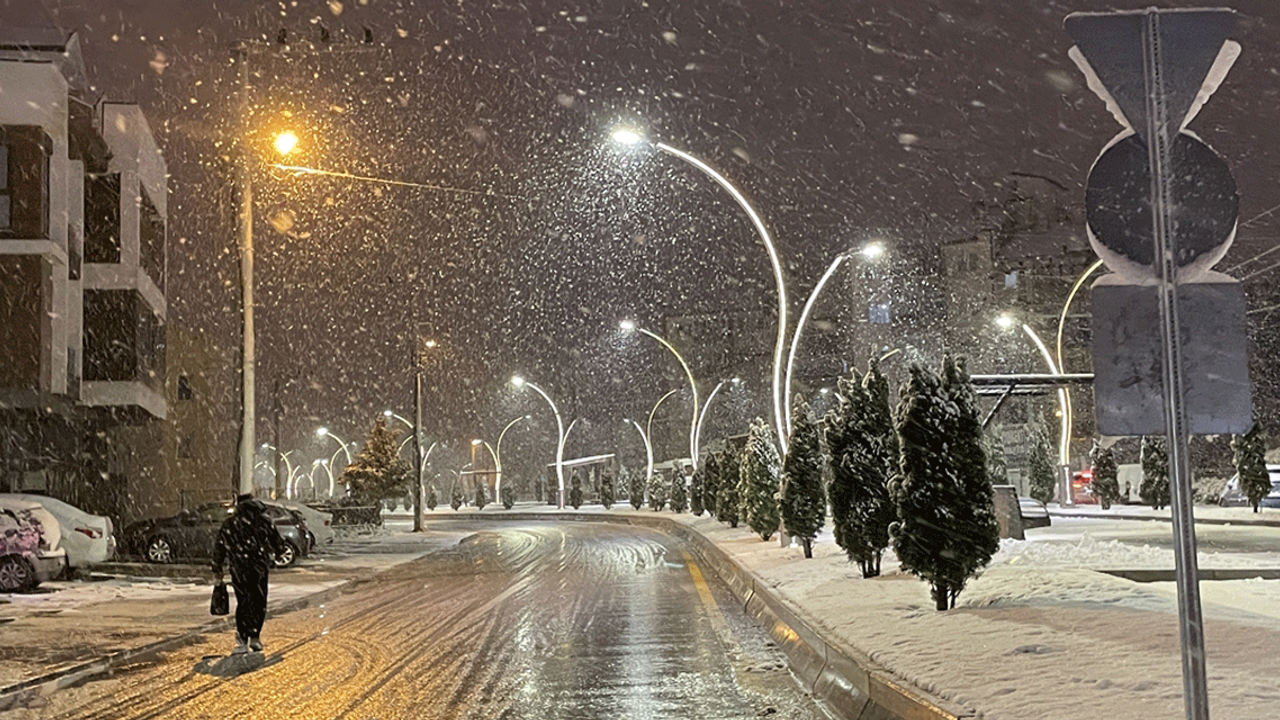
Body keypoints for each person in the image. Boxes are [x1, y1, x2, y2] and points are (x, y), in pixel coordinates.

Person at [212, 493, 286, 653]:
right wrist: (277, 553)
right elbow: (277, 542)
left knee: (243, 601)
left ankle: (242, 636)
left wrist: (217, 567)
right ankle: (255, 635)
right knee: (259, 601)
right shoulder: (264, 521)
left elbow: (219, 547)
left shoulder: (230, 523)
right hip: (259, 567)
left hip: (239, 568)